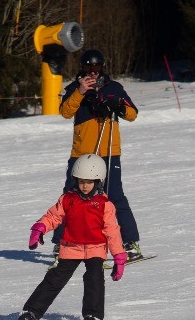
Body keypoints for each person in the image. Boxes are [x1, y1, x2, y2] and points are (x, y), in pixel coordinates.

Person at [10, 154, 128, 320]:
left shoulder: (105, 205)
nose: (84, 186)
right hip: (70, 247)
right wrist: (40, 228)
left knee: (94, 280)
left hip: (96, 248)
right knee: (54, 280)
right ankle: (31, 313)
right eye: (81, 181)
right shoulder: (68, 199)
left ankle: (91, 317)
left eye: (89, 182)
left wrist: (119, 256)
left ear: (98, 182)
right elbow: (53, 216)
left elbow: (112, 232)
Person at [51, 49, 143, 263]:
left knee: (115, 197)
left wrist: (118, 105)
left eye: (97, 67)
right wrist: (81, 91)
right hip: (82, 154)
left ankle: (130, 243)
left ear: (102, 67)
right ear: (82, 68)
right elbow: (65, 112)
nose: (93, 72)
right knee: (71, 198)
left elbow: (132, 114)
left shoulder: (114, 87)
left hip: (109, 152)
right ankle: (61, 244)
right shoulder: (74, 88)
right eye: (88, 67)